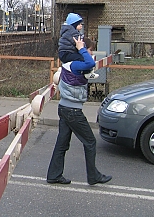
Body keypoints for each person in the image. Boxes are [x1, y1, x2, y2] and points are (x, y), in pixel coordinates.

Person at [47, 36, 112, 185]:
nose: (91, 53)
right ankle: (93, 176)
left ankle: (54, 175)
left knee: (62, 143)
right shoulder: (76, 64)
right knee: (90, 141)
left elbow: (89, 65)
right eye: (90, 50)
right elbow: (90, 62)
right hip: (73, 111)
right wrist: (81, 47)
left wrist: (82, 49)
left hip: (65, 108)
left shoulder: (70, 63)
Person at [58, 13, 98, 79]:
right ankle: (87, 73)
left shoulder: (68, 32)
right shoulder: (72, 33)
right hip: (67, 53)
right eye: (79, 24)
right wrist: (83, 50)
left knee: (79, 58)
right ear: (73, 25)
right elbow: (79, 43)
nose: (81, 26)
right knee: (83, 59)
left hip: (64, 52)